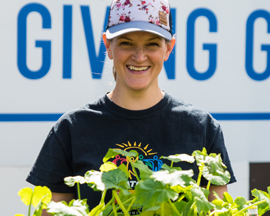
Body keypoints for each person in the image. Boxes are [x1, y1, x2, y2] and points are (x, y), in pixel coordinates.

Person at [26, 0, 236, 214]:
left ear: (168, 49)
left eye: (152, 44)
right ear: (108, 46)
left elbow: (219, 209)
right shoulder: (71, 128)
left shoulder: (202, 127)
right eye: (126, 43)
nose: (139, 56)